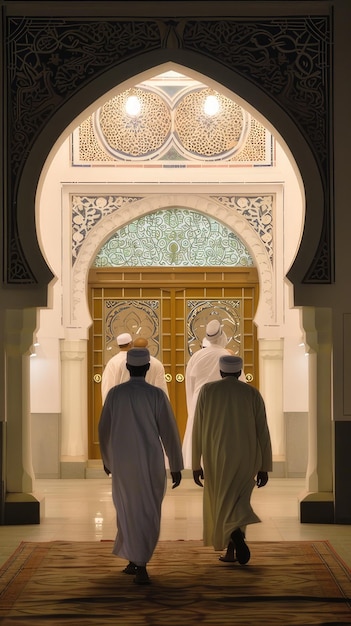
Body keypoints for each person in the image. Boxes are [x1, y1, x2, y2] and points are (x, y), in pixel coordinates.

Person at [98, 348, 184, 585]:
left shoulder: (115, 394)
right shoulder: (156, 395)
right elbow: (169, 432)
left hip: (123, 463)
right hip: (150, 461)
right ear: (147, 368)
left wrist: (107, 459)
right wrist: (175, 464)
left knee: (127, 510)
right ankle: (140, 561)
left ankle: (137, 560)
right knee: (148, 510)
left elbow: (103, 430)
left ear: (128, 368)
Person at [192, 354, 272, 565]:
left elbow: (197, 430)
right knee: (238, 500)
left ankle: (235, 538)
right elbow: (263, 432)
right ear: (239, 372)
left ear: (220, 372)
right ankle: (232, 548)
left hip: (216, 455)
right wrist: (265, 466)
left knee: (221, 501)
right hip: (247, 456)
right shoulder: (252, 393)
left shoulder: (208, 391)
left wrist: (194, 464)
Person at [182, 318, 231, 468]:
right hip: (223, 401)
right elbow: (239, 381)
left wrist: (192, 403)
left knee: (199, 431)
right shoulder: (227, 355)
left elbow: (189, 383)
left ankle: (197, 465)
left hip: (199, 399)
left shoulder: (196, 356)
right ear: (222, 336)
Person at [101, 332, 133, 403]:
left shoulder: (112, 362)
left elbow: (107, 385)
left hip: (117, 404)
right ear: (130, 344)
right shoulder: (134, 360)